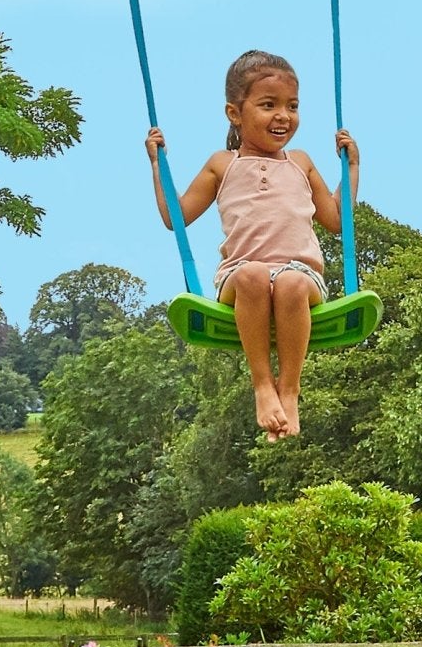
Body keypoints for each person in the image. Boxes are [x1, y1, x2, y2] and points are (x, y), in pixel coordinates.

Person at [147, 49, 358, 441]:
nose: (283, 116)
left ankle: (289, 390)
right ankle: (263, 385)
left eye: (292, 106)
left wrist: (352, 169)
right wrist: (158, 165)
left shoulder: (301, 162)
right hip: (239, 277)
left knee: (290, 282)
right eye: (268, 105)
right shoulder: (221, 164)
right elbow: (176, 216)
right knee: (254, 274)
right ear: (235, 113)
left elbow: (336, 220)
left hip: (302, 276)